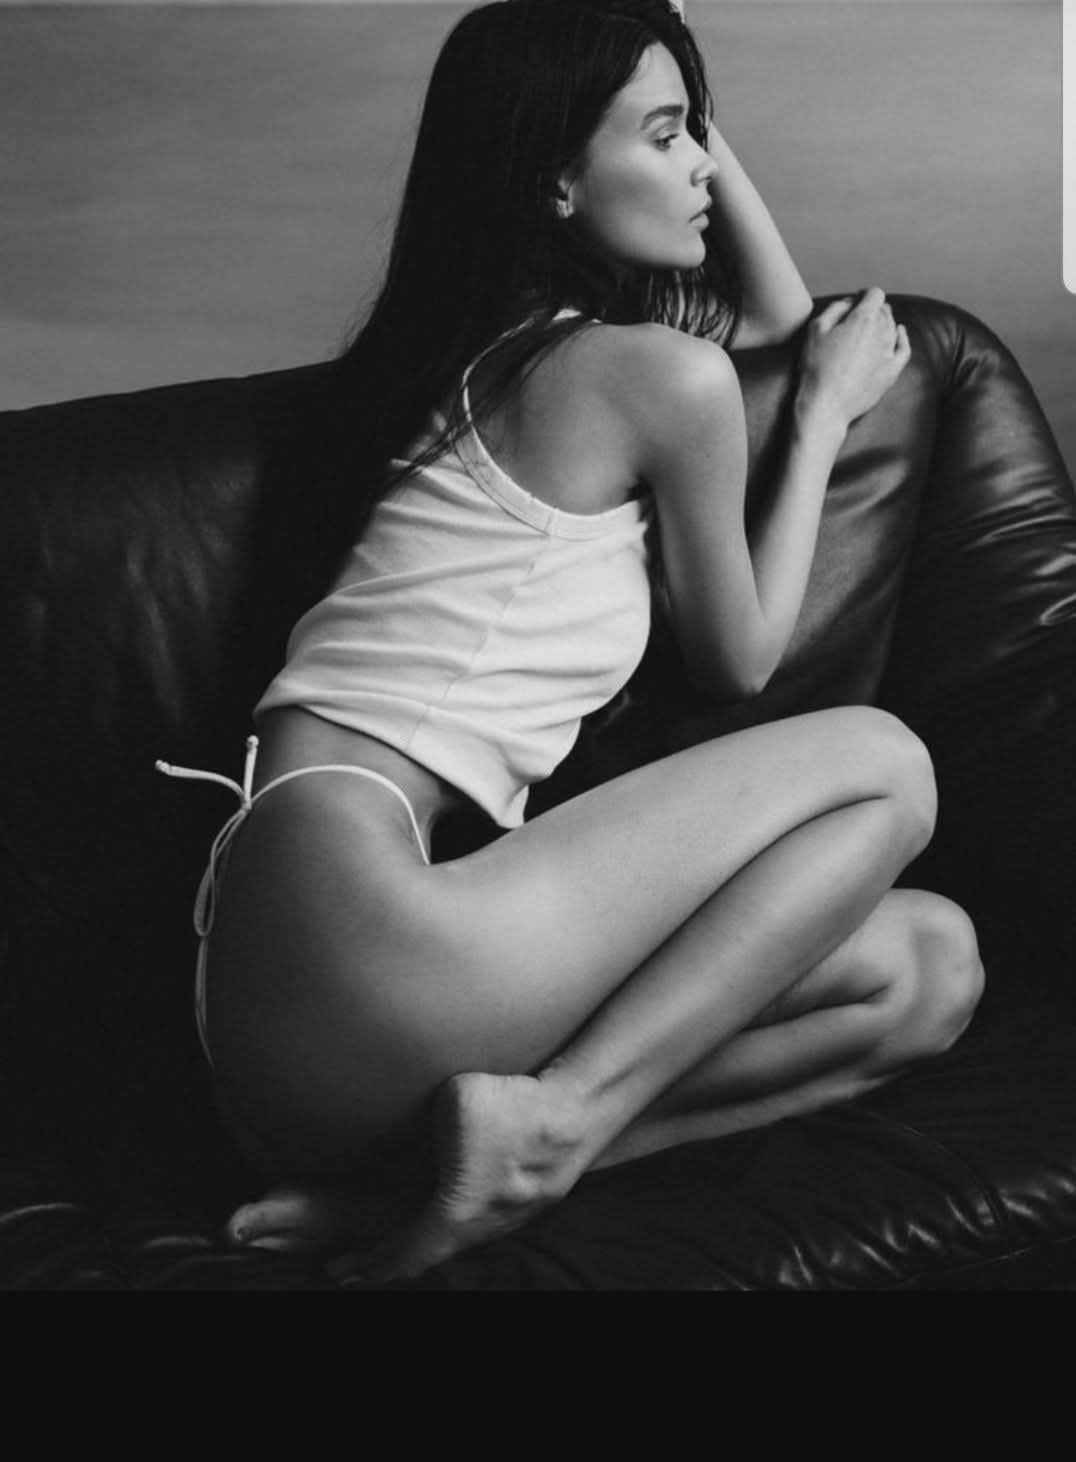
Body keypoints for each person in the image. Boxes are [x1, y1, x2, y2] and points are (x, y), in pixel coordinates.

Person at [156, 0, 983, 1284]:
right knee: (887, 762)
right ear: (552, 178)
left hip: (281, 1006)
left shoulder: (477, 361)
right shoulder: (640, 376)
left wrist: (660, 66)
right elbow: (740, 658)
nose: (701, 165)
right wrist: (819, 420)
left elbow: (769, 315)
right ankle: (551, 1128)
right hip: (366, 938)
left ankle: (452, 1172)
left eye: (697, 132)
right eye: (665, 136)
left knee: (925, 967)